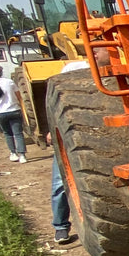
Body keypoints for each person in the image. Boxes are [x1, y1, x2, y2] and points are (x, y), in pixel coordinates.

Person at [49, 60, 89, 245]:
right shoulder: (72, 68)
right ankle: (61, 226)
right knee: (60, 182)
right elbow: (60, 107)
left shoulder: (106, 65)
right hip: (70, 134)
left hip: (92, 133)